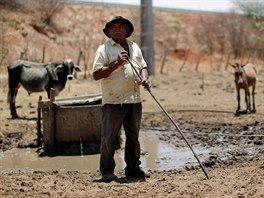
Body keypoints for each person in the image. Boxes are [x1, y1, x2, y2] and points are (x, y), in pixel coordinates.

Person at [92, 16, 151, 182]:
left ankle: (133, 168)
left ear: (127, 30)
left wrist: (144, 78)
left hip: (134, 99)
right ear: (109, 31)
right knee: (109, 138)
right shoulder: (104, 49)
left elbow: (143, 66)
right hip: (113, 101)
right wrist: (116, 64)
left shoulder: (134, 47)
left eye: (121, 26)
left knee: (133, 137)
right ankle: (107, 171)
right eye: (114, 27)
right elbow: (96, 74)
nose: (117, 29)